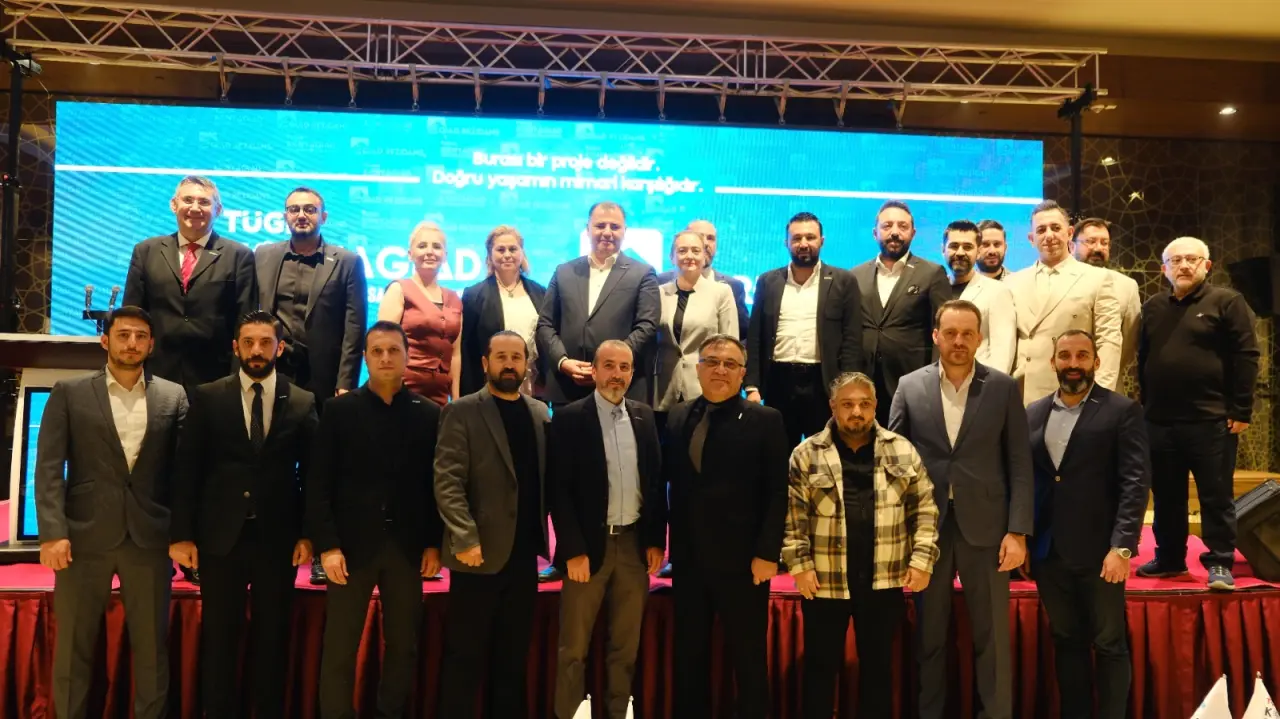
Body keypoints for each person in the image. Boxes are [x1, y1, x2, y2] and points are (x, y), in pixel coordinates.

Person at [35, 306, 189, 719]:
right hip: (82, 538)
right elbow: (48, 466)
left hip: (149, 539)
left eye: (140, 336)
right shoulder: (69, 392)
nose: (131, 343)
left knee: (152, 652)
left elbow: (183, 474)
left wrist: (181, 533)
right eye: (123, 335)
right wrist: (53, 532)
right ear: (105, 340)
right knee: (73, 650)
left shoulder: (173, 396)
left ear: (151, 345)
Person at [169, 310, 319, 719]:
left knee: (272, 642)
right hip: (220, 539)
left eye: (265, 343)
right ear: (235, 347)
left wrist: (309, 534)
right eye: (249, 343)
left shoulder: (302, 401)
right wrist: (181, 534)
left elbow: (314, 476)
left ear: (279, 348)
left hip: (278, 540)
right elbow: (187, 469)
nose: (257, 350)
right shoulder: (208, 396)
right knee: (219, 641)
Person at [888, 300, 1033, 719]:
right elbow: (893, 462)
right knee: (929, 637)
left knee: (992, 639)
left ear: (979, 338)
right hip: (926, 531)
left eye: (967, 333)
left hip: (988, 530)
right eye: (950, 333)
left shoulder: (1003, 387)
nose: (958, 341)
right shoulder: (909, 386)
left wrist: (1018, 531)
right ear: (936, 336)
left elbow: (1020, 463)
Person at [306, 321, 443, 719]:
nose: (385, 358)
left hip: (407, 548)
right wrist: (327, 546)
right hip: (349, 549)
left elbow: (435, 487)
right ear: (365, 358)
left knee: (404, 646)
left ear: (407, 357)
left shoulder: (429, 414)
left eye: (393, 350)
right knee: (340, 647)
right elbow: (318, 483)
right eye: (377, 351)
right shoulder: (339, 410)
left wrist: (433, 543)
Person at [783, 371, 939, 719]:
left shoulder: (902, 450)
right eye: (848, 404)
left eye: (864, 404)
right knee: (820, 669)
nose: (857, 412)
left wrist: (922, 560)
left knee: (878, 671)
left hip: (883, 579)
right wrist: (800, 566)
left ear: (875, 406)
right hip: (824, 579)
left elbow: (925, 509)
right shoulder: (806, 454)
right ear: (832, 407)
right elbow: (793, 517)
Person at [1025, 330, 1150, 719]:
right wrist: (1024, 540)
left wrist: (1122, 546)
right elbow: (1027, 482)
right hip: (1048, 552)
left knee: (1109, 643)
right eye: (1065, 356)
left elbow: (1135, 482)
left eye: (1082, 356)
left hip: (1101, 554)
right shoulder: (1033, 413)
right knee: (1066, 641)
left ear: (1096, 362)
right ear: (1053, 362)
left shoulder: (1121, 411)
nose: (1073, 363)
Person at [667, 334, 789, 719]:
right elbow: (666, 485)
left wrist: (768, 552)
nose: (720, 370)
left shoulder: (766, 420)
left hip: (744, 564)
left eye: (730, 364)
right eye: (713, 362)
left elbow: (777, 492)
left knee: (748, 661)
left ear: (742, 374)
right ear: (698, 368)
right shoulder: (678, 415)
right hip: (688, 561)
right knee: (689, 658)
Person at [436, 331, 551, 718]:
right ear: (485, 363)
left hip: (523, 558)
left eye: (516, 357)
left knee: (512, 661)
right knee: (464, 660)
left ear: (526, 364)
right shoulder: (462, 411)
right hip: (477, 555)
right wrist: (465, 538)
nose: (509, 364)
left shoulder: (540, 413)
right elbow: (447, 482)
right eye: (501, 357)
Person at [1137, 236, 1260, 591]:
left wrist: (1241, 409)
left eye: (1191, 259)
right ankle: (1170, 558)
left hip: (1212, 420)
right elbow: (1145, 359)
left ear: (1206, 265)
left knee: (1215, 495)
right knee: (1166, 496)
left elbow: (1246, 356)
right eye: (1175, 261)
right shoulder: (1153, 307)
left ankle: (1220, 561)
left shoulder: (1227, 301)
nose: (1184, 265)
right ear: (1164, 269)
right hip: (1160, 421)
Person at [550, 340, 665, 719]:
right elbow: (558, 490)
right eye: (609, 366)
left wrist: (655, 541)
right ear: (595, 370)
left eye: (624, 367)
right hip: (587, 549)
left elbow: (654, 484)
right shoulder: (570, 418)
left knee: (625, 648)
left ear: (632, 373)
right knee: (573, 649)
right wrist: (572, 549)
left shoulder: (644, 417)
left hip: (633, 548)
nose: (617, 374)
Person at [123, 175, 257, 391]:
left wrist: (237, 380)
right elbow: (132, 317)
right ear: (173, 205)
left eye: (204, 202)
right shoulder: (146, 251)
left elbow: (245, 324)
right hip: (155, 376)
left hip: (217, 379)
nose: (195, 208)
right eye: (187, 200)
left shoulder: (239, 255)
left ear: (218, 210)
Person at [745, 211, 863, 445]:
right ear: (786, 242)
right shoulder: (768, 281)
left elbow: (852, 340)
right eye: (797, 238)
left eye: (810, 237)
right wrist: (751, 387)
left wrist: (847, 389)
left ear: (822, 241)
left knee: (823, 453)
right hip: (777, 381)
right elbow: (755, 336)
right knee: (777, 453)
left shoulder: (843, 281)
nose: (804, 243)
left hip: (823, 384)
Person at [536, 201, 661, 405]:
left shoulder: (643, 273)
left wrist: (611, 363)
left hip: (619, 388)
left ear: (625, 231)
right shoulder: (563, 271)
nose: (607, 232)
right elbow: (545, 324)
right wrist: (562, 361)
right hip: (567, 388)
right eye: (600, 225)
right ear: (588, 230)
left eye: (615, 227)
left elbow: (647, 325)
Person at [255, 186, 367, 406]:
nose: (301, 215)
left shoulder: (348, 262)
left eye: (309, 209)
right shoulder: (263, 255)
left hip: (324, 375)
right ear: (285, 216)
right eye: (294, 209)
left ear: (323, 217)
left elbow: (354, 328)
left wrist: (346, 382)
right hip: (273, 368)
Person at [1006, 200, 1123, 404]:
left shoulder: (1097, 279)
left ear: (1069, 233)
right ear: (1031, 239)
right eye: (1041, 230)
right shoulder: (1012, 282)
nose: (1049, 235)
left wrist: (1100, 397)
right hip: (1020, 393)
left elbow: (1108, 340)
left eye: (1055, 228)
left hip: (1072, 390)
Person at [851, 200, 952, 425]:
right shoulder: (855, 275)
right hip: (864, 380)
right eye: (887, 226)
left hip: (913, 380)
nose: (895, 232)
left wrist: (937, 379)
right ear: (875, 233)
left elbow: (943, 330)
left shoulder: (932, 273)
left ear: (913, 233)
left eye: (902, 226)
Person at [655, 229, 739, 418]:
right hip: (664, 388)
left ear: (704, 256)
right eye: (682, 250)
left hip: (704, 386)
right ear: (671, 257)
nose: (689, 256)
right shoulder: (659, 292)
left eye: (695, 250)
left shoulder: (721, 292)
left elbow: (730, 344)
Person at [377, 221, 463, 406]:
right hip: (402, 392)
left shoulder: (454, 298)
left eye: (436, 247)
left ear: (445, 256)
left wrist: (456, 400)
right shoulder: (399, 290)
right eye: (422, 246)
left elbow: (455, 355)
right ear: (410, 254)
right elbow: (382, 344)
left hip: (440, 396)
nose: (430, 252)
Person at [458, 225, 548, 398]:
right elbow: (467, 353)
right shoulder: (474, 295)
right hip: (489, 389)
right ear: (490, 255)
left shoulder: (541, 293)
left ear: (522, 253)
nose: (507, 254)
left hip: (532, 387)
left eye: (513, 249)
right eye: (500, 250)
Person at [943, 219, 1017, 373]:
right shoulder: (936, 288)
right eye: (954, 246)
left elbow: (1002, 353)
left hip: (979, 382)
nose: (960, 253)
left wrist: (991, 385)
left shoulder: (997, 291)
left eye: (967, 247)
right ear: (943, 249)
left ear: (977, 252)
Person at [1071, 218, 1142, 376]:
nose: (1098, 248)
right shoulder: (1059, 282)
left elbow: (1129, 342)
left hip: (1109, 380)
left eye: (1104, 243)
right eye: (1091, 241)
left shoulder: (1127, 286)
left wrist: (1105, 372)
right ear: (1071, 246)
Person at [656, 219, 749, 340]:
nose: (705, 242)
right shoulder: (659, 285)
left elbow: (740, 337)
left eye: (710, 238)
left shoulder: (729, 288)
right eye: (698, 236)